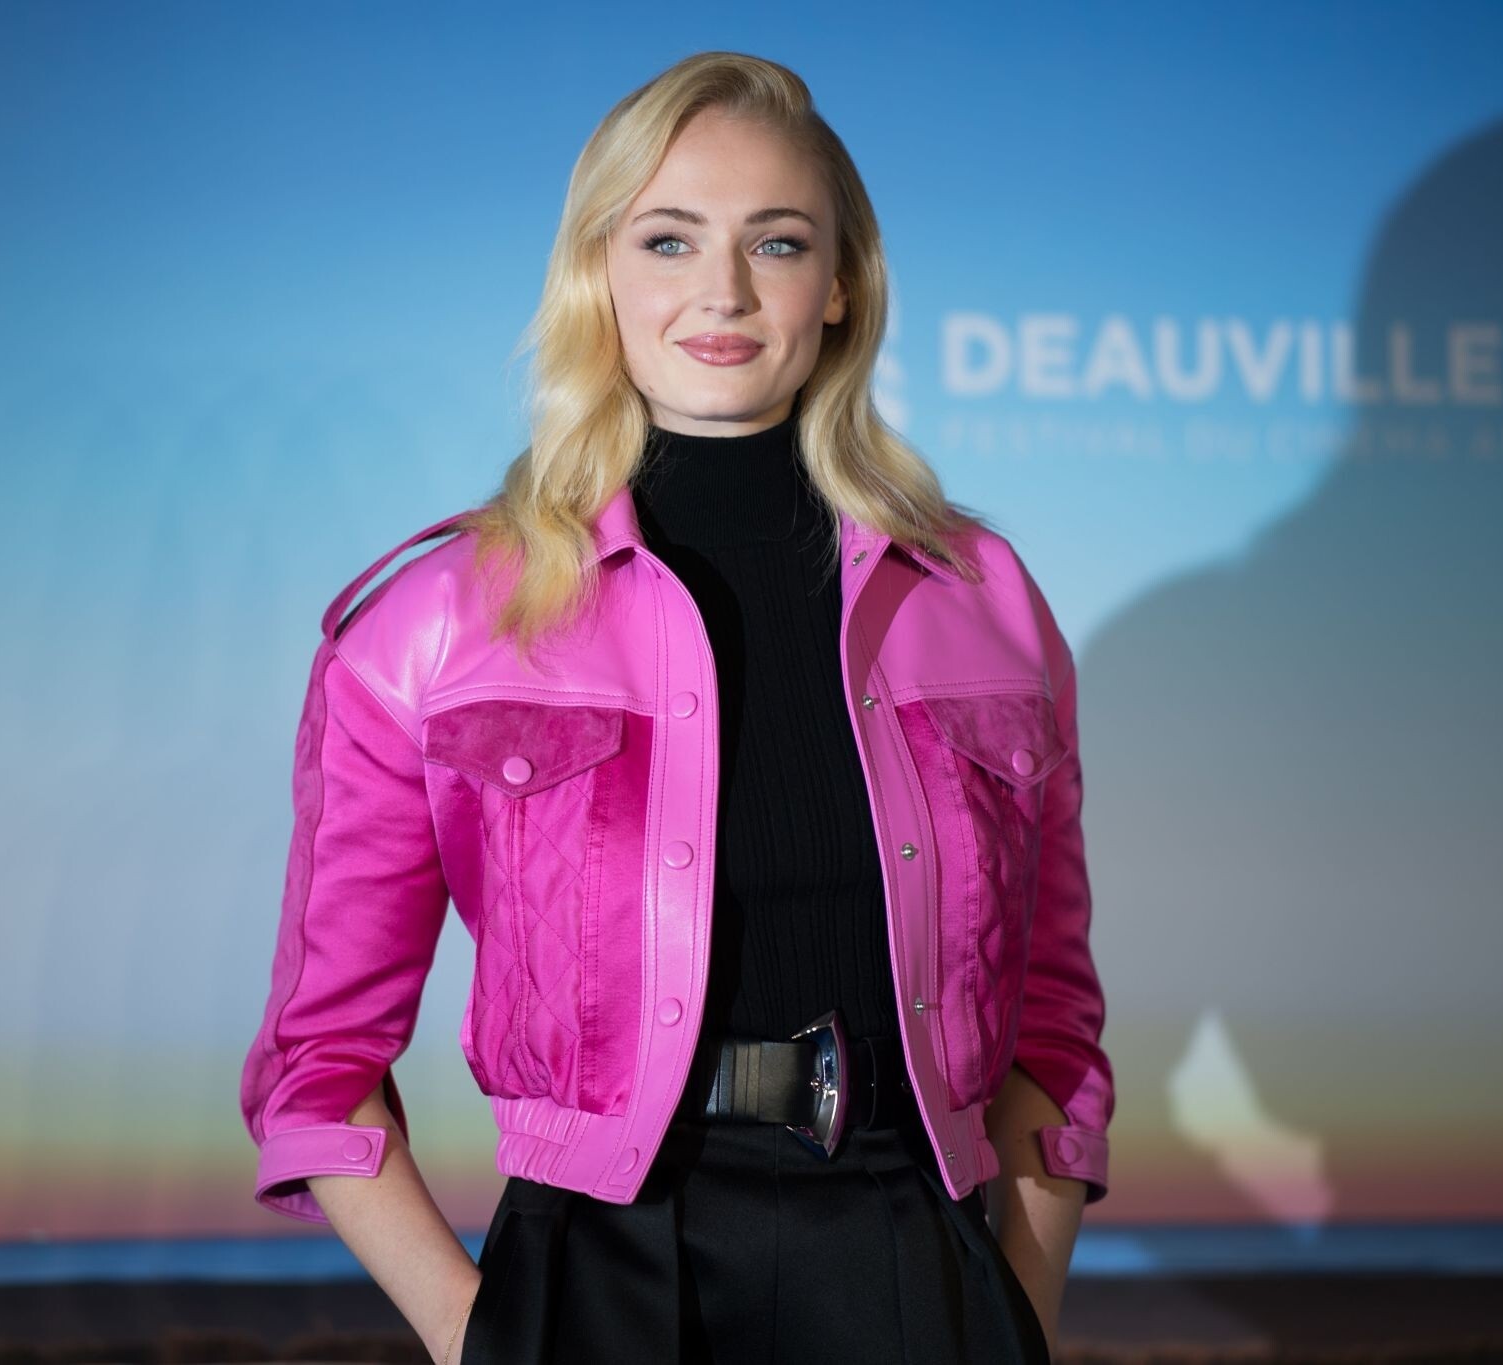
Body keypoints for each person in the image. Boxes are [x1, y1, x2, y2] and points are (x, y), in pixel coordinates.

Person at [239, 50, 1112, 1365]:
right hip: (601, 1268)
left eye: (777, 241)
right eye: (668, 239)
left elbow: (1052, 1027)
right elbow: (317, 1063)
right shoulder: (430, 622)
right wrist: (486, 1335)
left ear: (841, 286)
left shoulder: (982, 598)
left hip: (913, 1256)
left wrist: (1014, 1318)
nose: (724, 290)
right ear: (598, 273)